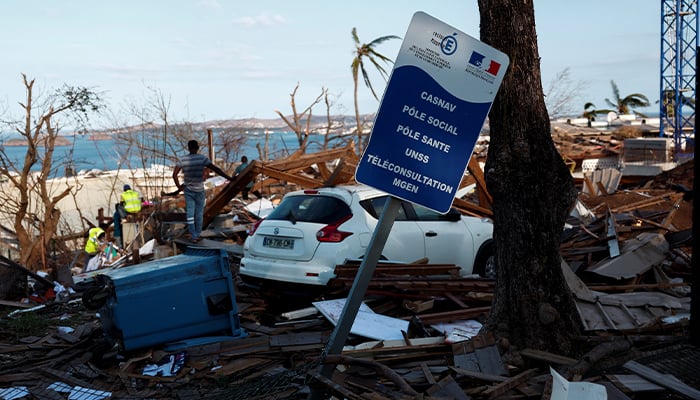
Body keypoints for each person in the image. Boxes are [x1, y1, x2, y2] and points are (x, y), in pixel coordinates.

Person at [172, 140, 233, 243]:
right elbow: (216, 169)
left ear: (188, 148)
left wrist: (179, 187)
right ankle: (198, 234)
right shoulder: (202, 159)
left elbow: (174, 175)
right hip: (199, 190)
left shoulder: (183, 160)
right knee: (199, 214)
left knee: (190, 214)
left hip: (188, 190)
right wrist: (229, 178)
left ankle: (193, 235)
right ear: (197, 148)